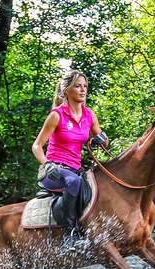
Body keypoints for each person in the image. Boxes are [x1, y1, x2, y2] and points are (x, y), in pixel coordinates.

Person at [32, 70, 108, 252]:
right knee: (73, 181)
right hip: (54, 172)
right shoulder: (56, 115)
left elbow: (103, 139)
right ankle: (70, 235)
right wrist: (47, 164)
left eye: (85, 86)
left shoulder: (89, 115)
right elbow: (36, 146)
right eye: (78, 86)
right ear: (67, 90)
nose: (83, 90)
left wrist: (101, 139)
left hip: (75, 170)